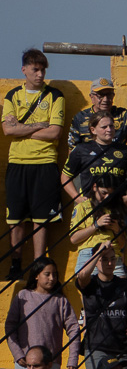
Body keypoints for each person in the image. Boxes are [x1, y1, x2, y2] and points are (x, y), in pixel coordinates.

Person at [3, 49, 67, 274]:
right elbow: (8, 130)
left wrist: (23, 129)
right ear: (24, 70)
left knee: (42, 219)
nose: (40, 75)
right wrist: (40, 125)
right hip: (18, 162)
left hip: (45, 163)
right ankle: (16, 263)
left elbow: (55, 133)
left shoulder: (55, 96)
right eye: (35, 70)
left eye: (43, 70)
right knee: (16, 218)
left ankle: (39, 266)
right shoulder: (13, 96)